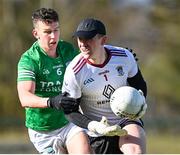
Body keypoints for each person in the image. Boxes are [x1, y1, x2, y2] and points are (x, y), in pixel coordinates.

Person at [61, 18, 147, 154]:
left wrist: (140, 103)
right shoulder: (74, 71)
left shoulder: (124, 57)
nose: (83, 44)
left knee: (135, 151)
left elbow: (139, 85)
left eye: (88, 39)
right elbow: (70, 111)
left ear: (103, 40)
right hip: (97, 131)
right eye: (80, 39)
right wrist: (95, 126)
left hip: (126, 120)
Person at [17, 8, 93, 154]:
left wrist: (114, 57)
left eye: (56, 30)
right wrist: (51, 101)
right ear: (36, 34)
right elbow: (24, 97)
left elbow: (90, 64)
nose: (53, 36)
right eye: (47, 32)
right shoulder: (29, 60)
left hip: (69, 122)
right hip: (42, 132)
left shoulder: (67, 50)